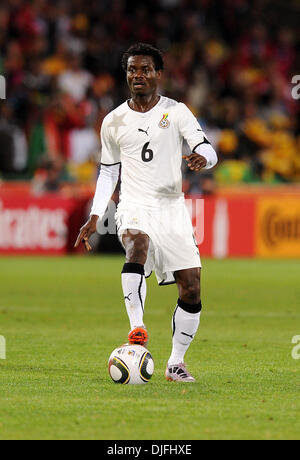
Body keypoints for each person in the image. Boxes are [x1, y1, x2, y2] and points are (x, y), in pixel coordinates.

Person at [75, 43, 218, 382]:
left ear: (158, 74)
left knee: (192, 286)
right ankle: (137, 328)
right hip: (134, 204)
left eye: (144, 70)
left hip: (172, 208)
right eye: (132, 70)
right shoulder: (113, 121)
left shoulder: (177, 111)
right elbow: (109, 171)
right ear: (127, 76)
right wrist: (96, 215)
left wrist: (204, 159)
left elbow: (206, 148)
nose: (137, 75)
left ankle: (176, 364)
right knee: (136, 244)